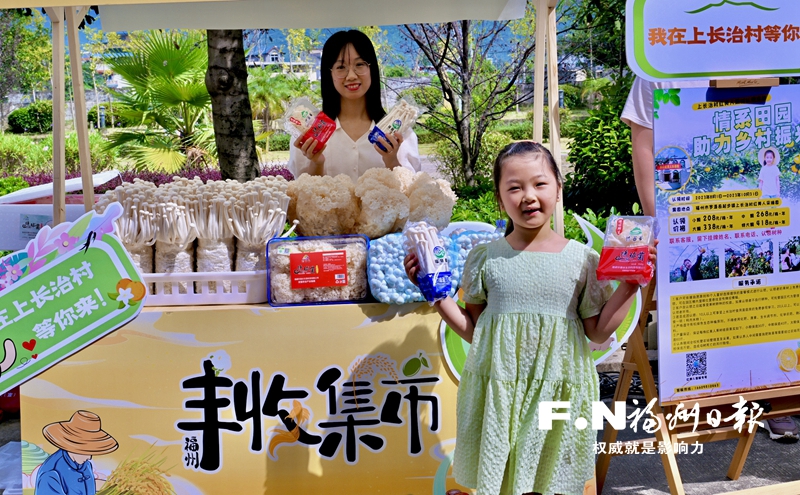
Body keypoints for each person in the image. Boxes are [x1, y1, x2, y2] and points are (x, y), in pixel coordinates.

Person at [403, 141, 656, 494]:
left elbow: (598, 333)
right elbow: (475, 331)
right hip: (501, 393)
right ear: (500, 197)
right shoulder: (485, 258)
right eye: (514, 187)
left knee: (552, 480)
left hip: (559, 390)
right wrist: (434, 295)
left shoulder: (582, 259)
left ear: (558, 187)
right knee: (504, 480)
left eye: (539, 184)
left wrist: (629, 288)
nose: (528, 196)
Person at [288, 30, 420, 181]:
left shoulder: (398, 132)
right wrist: (316, 162)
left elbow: (410, 191)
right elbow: (303, 195)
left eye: (359, 64)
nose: (351, 76)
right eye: (341, 67)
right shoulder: (310, 133)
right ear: (329, 74)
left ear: (372, 69)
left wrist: (391, 160)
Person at [621, 76, 707, 216]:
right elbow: (644, 146)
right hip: (678, 214)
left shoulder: (752, 68)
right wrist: (657, 223)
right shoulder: (655, 70)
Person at [36, 410, 119, 494]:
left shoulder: (85, 464)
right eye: (85, 451)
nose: (89, 457)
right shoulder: (51, 474)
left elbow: (87, 484)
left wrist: (117, 485)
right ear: (73, 445)